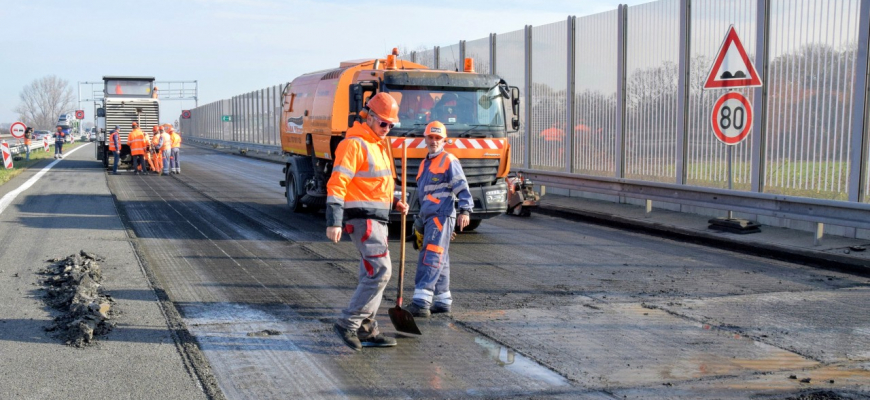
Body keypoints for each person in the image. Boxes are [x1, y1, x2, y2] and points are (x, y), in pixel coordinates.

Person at [327, 92, 409, 351]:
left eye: (391, 125)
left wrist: (394, 203)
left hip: (377, 218)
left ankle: (366, 329)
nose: (387, 129)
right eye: (383, 123)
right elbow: (338, 183)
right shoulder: (354, 144)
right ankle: (349, 323)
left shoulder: (376, 145)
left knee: (371, 272)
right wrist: (334, 221)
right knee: (381, 272)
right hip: (363, 219)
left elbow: (374, 185)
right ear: (369, 117)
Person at [404, 121, 473, 318]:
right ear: (425, 139)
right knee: (440, 257)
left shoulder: (448, 160)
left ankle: (421, 301)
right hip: (430, 216)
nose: (434, 141)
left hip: (441, 216)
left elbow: (461, 187)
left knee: (432, 255)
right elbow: (423, 194)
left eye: (438, 138)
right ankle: (442, 300)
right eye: (430, 137)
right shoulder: (426, 163)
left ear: (444, 140)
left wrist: (465, 211)